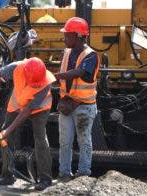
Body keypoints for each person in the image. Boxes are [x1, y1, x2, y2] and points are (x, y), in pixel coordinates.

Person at [0, 57, 56, 191]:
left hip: (40, 108)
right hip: (17, 104)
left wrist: (7, 130)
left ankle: (45, 178)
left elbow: (28, 110)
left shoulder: (47, 81)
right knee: (6, 137)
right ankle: (7, 175)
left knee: (40, 138)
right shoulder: (16, 67)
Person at [54, 17, 100, 181]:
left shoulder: (90, 56)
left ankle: (83, 173)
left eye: (67, 35)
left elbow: (79, 72)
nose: (64, 37)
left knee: (84, 141)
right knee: (64, 142)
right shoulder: (66, 52)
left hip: (84, 106)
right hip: (67, 104)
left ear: (78, 36)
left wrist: (56, 76)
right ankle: (64, 173)